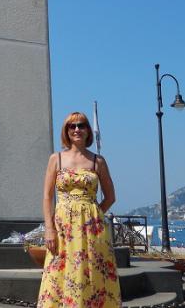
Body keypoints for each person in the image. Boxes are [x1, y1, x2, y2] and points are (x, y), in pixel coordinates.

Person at [37, 111, 121, 308]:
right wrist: (49, 229)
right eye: (72, 126)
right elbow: (47, 197)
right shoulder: (56, 159)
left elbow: (110, 197)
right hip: (63, 227)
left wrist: (94, 215)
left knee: (92, 271)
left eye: (81, 125)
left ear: (88, 130)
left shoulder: (98, 161)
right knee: (59, 270)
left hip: (92, 229)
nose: (76, 129)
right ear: (66, 131)